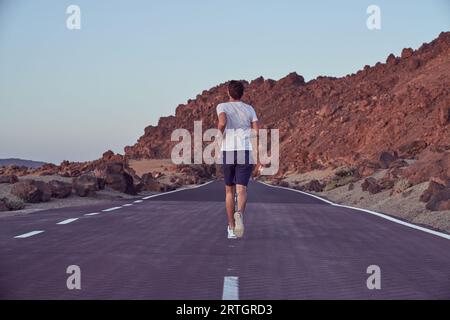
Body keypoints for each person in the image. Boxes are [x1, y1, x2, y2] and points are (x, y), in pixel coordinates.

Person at [216, 80, 259, 239]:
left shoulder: (222, 106)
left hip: (228, 151)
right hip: (244, 150)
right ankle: (239, 213)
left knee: (229, 190)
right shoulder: (249, 109)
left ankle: (231, 227)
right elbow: (256, 130)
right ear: (242, 93)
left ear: (228, 92)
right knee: (242, 190)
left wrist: (219, 134)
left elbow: (222, 122)